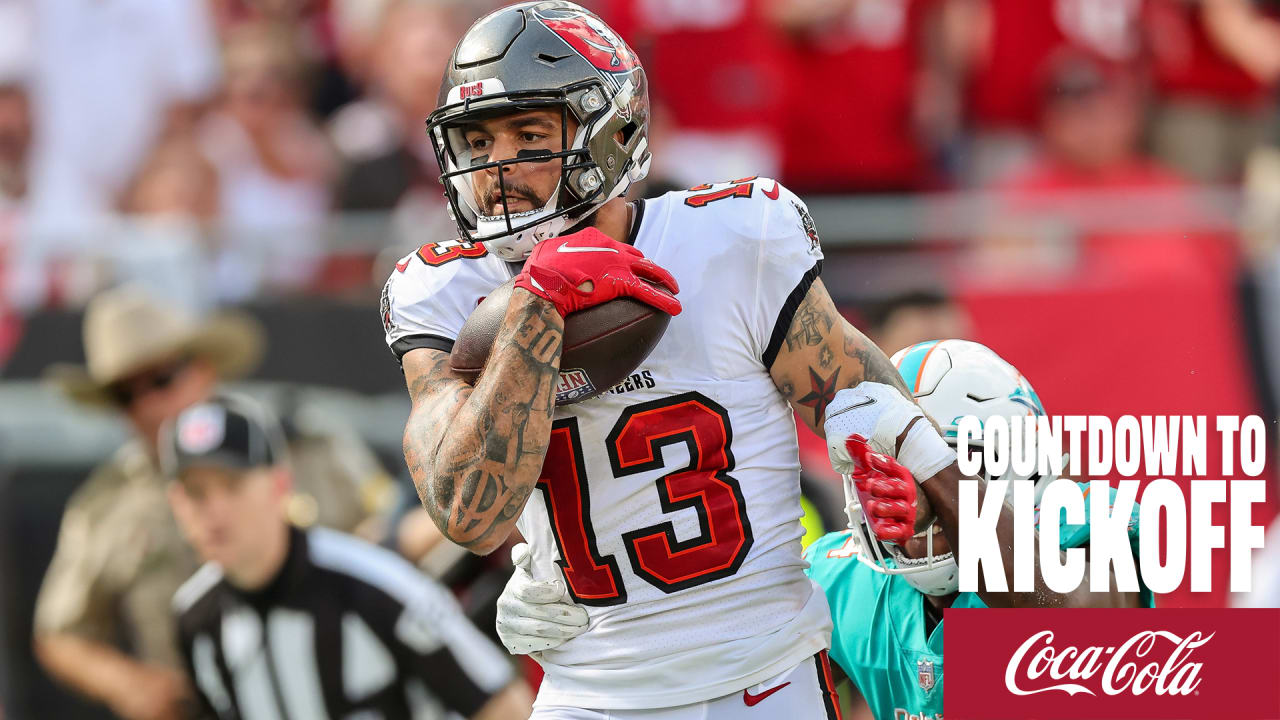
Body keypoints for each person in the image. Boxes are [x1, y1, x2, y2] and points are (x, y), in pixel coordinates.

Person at [383, 2, 934, 716]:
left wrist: (907, 508)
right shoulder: (445, 288)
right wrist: (533, 309)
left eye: (528, 134)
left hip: (762, 679)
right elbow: (466, 513)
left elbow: (873, 412)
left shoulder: (730, 240)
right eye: (478, 140)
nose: (498, 166)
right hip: (591, 692)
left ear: (610, 134)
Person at [34, 285, 386, 720]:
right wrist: (128, 684)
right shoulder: (106, 503)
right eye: (126, 395)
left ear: (203, 370)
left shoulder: (302, 446)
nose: (147, 404)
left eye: (162, 379)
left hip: (336, 690)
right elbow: (61, 631)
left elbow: (388, 537)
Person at [804, 340, 1153, 720]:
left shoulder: (1087, 526)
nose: (911, 487)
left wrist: (924, 454)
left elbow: (1066, 615)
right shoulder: (840, 579)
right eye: (887, 468)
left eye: (950, 462)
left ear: (1022, 468)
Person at [164, 394, 533, 719]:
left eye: (232, 484)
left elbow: (503, 704)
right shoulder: (196, 619)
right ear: (175, 504)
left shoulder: (377, 587)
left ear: (280, 484)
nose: (214, 510)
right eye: (196, 493)